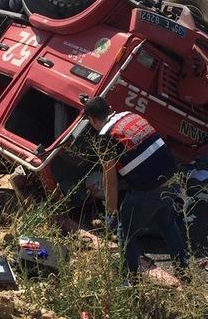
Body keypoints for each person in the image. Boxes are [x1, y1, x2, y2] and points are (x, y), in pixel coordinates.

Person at [83, 96, 188, 281]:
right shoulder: (131, 116)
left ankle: (130, 280)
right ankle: (184, 272)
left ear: (92, 120)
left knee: (126, 232)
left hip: (149, 190)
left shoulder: (105, 137)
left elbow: (110, 181)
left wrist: (111, 214)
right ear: (110, 108)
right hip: (172, 178)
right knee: (167, 224)